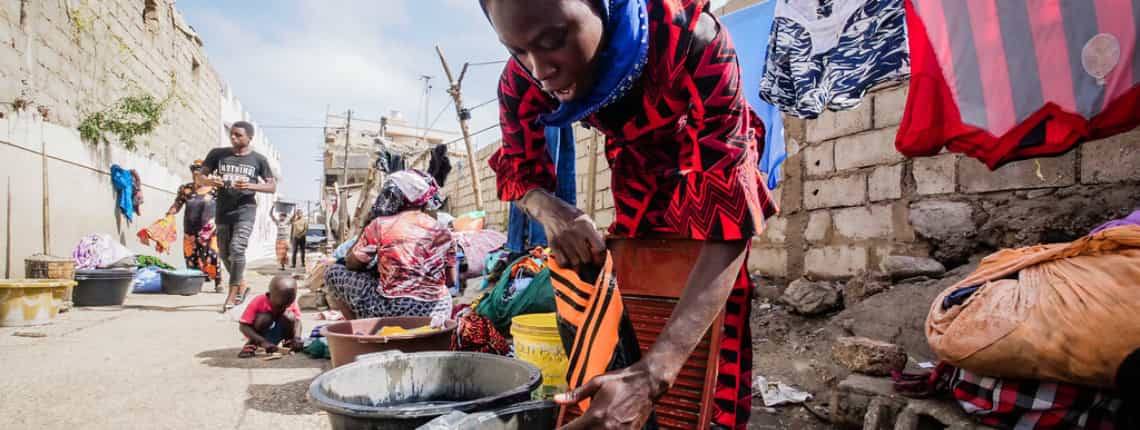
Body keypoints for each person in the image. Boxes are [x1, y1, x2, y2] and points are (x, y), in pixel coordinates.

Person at [481, 0, 778, 428]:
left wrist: (654, 375)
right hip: (636, 172)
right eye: (517, 50)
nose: (540, 69)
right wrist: (553, 212)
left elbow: (727, 226)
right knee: (635, 304)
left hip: (705, 160)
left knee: (715, 327)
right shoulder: (523, 79)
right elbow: (520, 173)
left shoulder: (691, 41)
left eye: (553, 41)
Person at [323, 170, 455, 321]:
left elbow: (352, 264)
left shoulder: (381, 225)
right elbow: (450, 281)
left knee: (332, 272)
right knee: (443, 291)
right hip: (438, 310)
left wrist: (366, 226)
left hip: (393, 309)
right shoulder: (444, 231)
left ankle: (359, 332)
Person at [200, 121, 277, 311]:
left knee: (237, 248)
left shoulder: (258, 160)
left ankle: (232, 295)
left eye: (238, 135)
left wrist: (250, 186)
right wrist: (210, 180)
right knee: (225, 254)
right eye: (232, 134)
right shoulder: (217, 154)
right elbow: (200, 177)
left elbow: (271, 186)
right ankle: (242, 285)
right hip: (223, 210)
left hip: (246, 210)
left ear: (249, 137)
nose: (233, 138)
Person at [167, 159, 222, 292]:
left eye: (199, 171)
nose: (196, 174)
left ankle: (218, 282)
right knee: (192, 258)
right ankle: (196, 284)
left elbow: (223, 207)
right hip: (189, 230)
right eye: (194, 171)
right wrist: (171, 212)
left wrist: (217, 221)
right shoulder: (185, 189)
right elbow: (178, 203)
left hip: (209, 230)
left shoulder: (215, 189)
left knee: (212, 255)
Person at [237, 275, 303, 358]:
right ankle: (252, 344)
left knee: (289, 316)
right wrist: (262, 341)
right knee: (264, 318)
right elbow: (243, 326)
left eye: (287, 305)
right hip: (259, 335)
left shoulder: (290, 302)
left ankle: (288, 342)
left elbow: (298, 322)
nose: (283, 309)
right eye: (279, 306)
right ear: (268, 295)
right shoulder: (259, 301)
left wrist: (297, 338)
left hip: (281, 330)